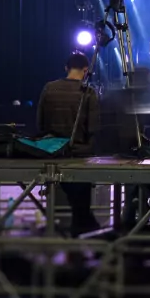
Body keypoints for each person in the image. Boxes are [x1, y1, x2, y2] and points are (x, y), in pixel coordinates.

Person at [37, 51, 102, 236]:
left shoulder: (49, 88)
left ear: (66, 68)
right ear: (86, 70)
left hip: (52, 152)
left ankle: (79, 232)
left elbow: (40, 123)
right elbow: (94, 128)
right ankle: (84, 234)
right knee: (81, 203)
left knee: (73, 203)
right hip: (80, 155)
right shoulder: (88, 92)